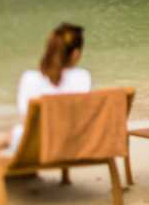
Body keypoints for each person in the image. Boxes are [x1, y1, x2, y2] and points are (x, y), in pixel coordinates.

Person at [7, 22, 91, 152]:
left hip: (38, 149)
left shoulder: (29, 78)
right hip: (74, 145)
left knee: (14, 134)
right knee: (12, 135)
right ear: (75, 54)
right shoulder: (83, 77)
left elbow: (26, 121)